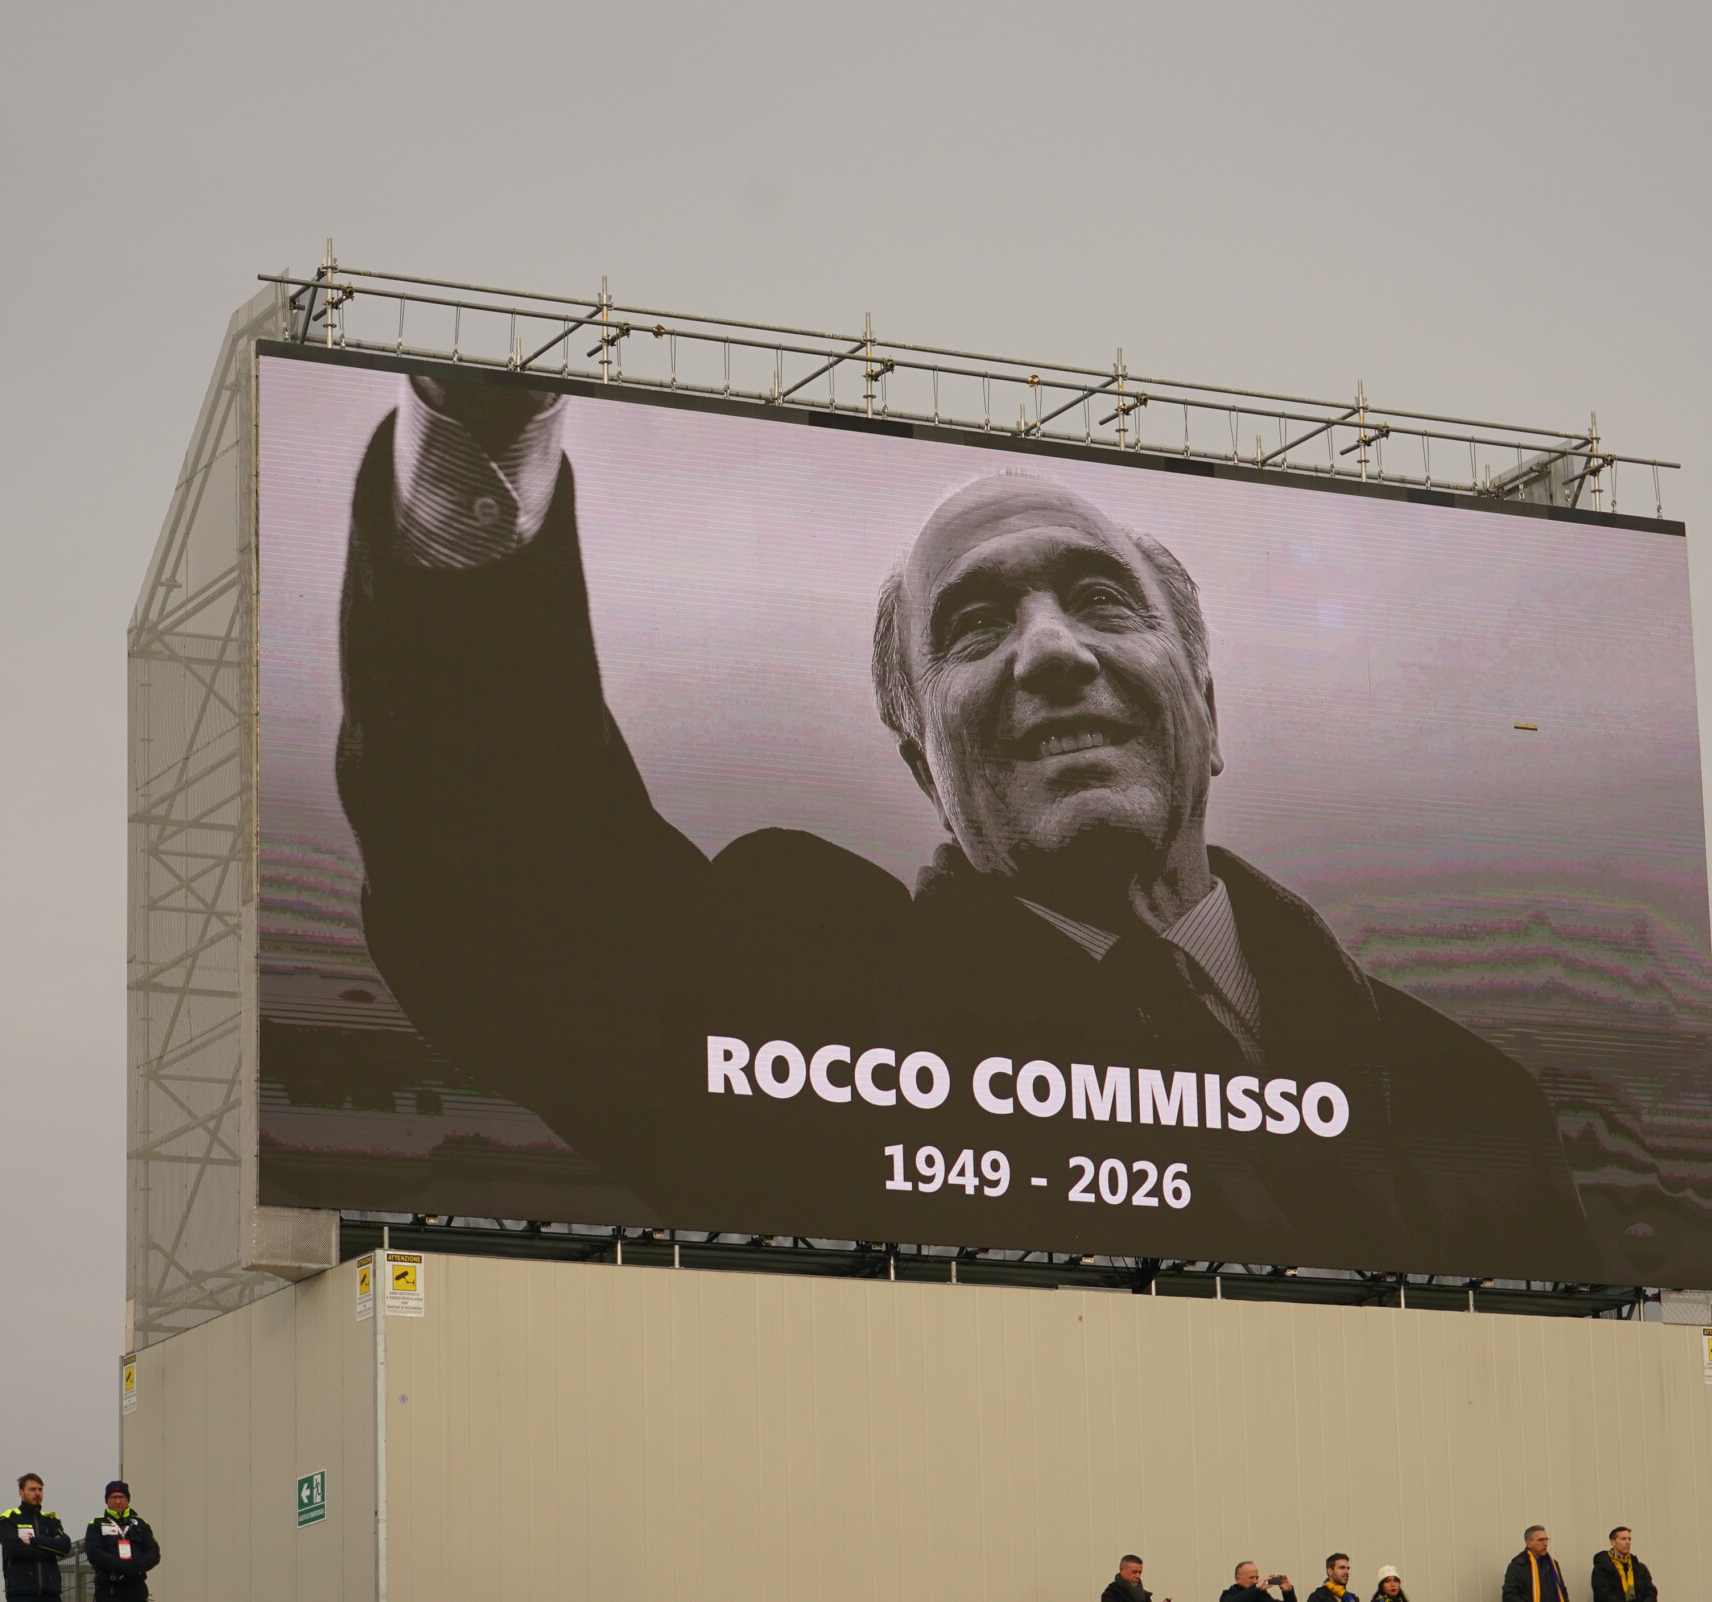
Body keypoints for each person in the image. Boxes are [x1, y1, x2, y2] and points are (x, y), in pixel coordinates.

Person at [335, 378, 1590, 1272]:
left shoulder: (1470, 1100)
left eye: (1102, 601)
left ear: (1204, 709)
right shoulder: (806, 994)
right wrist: (481, 442)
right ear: (921, 759)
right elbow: (504, 871)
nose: (1051, 653)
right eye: (975, 628)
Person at [0, 1474, 74, 1601]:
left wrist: (32, 1541)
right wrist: (50, 1551)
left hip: (51, 1595)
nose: (37, 1493)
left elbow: (65, 1546)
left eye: (40, 1489)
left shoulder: (50, 1520)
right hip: (21, 1594)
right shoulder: (9, 1518)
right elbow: (14, 1549)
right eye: (32, 1489)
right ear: (21, 1493)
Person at [82, 1482, 159, 1601]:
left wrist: (137, 1568)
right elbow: (94, 1553)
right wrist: (122, 1567)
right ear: (106, 1500)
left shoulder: (141, 1524)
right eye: (113, 1497)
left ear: (128, 1499)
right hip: (109, 1588)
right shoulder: (96, 1524)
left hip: (136, 1587)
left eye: (121, 1497)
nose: (118, 1501)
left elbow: (153, 1552)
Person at [1502, 1527, 1569, 1602]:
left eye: (1546, 1539)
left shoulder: (1553, 1564)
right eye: (1540, 1540)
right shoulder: (1518, 1566)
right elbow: (1510, 1596)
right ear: (1529, 1543)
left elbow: (1563, 1591)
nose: (1545, 1543)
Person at [1589, 1528, 1654, 1602]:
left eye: (1629, 1539)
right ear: (1612, 1542)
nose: (1628, 1542)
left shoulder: (1640, 1568)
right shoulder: (1602, 1568)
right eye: (1623, 1539)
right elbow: (1603, 1595)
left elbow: (1651, 1592)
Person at [1222, 1561, 1294, 1602]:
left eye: (1257, 1577)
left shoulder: (1260, 1594)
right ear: (1237, 1578)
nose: (1255, 1581)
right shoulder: (1228, 1595)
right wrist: (1256, 1587)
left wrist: (1288, 1592)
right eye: (1251, 1578)